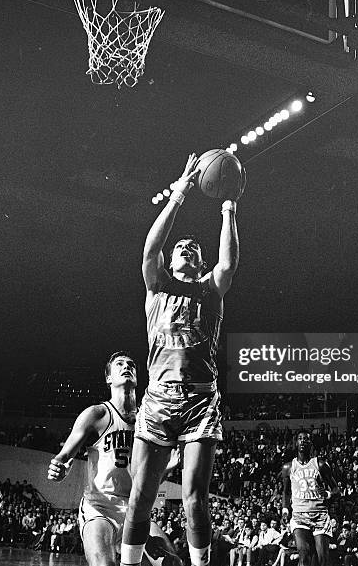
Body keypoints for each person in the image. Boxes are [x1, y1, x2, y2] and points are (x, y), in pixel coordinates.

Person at [121, 153, 244, 566]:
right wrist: (180, 193)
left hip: (199, 402)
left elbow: (228, 263)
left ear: (200, 263)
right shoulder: (157, 285)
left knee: (195, 497)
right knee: (141, 495)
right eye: (180, 248)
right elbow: (150, 245)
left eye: (194, 248)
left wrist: (228, 207)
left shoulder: (211, 291)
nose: (186, 248)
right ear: (170, 263)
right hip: (157, 399)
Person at [48, 351, 182, 566]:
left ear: (137, 378)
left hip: (135, 507)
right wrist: (60, 467)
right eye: (119, 364)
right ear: (109, 378)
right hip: (100, 506)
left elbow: (147, 480)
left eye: (131, 364)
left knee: (172, 563)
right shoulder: (97, 414)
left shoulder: (148, 421)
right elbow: (64, 456)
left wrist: (167, 468)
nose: (126, 366)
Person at [281, 431, 340, 566]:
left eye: (306, 439)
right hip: (299, 516)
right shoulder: (288, 467)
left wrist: (328, 494)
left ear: (311, 443)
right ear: (296, 443)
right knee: (304, 556)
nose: (303, 441)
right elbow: (285, 492)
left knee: (322, 560)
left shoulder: (320, 464)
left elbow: (337, 490)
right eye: (300, 439)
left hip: (320, 516)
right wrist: (285, 511)